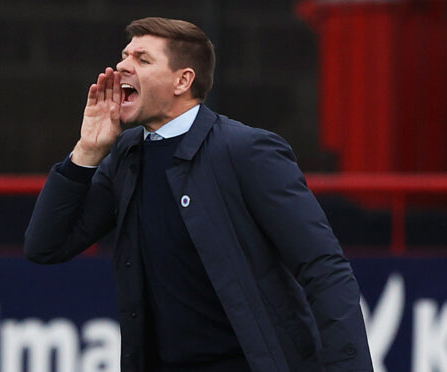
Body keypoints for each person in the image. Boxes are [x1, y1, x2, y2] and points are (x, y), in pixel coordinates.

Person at [25, 17, 373, 372]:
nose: (122, 66)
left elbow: (323, 268)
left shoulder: (246, 150)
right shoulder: (126, 155)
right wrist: (86, 151)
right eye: (125, 55)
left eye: (142, 59)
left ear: (183, 80)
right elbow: (45, 246)